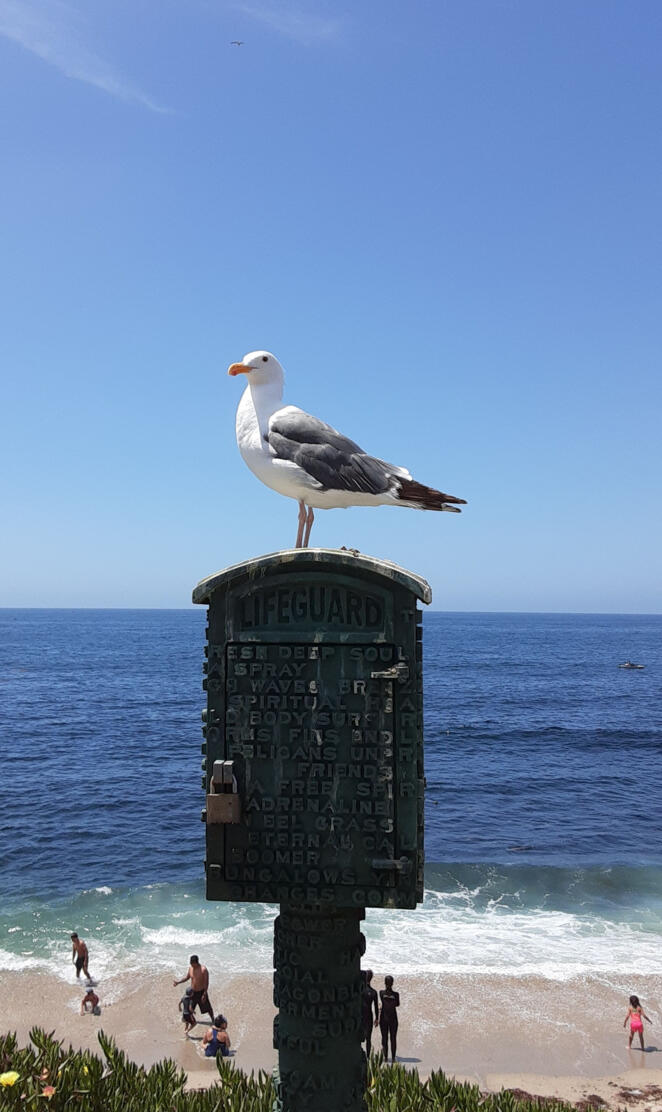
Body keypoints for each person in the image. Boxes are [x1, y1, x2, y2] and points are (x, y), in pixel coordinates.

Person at [173, 955, 214, 1022]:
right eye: (191, 964)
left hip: (201, 992)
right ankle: (186, 1019)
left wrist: (204, 994)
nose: (192, 965)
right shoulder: (191, 968)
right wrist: (178, 982)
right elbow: (187, 978)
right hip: (192, 993)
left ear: (197, 962)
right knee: (188, 1007)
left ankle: (213, 1019)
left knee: (207, 1008)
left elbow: (206, 983)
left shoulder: (203, 970)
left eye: (193, 964)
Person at [378, 975, 400, 1062]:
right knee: (393, 1038)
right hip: (393, 1018)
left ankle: (386, 1057)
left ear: (385, 983)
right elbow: (397, 1004)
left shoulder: (381, 993)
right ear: (392, 983)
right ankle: (393, 1058)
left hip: (384, 1018)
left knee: (384, 1037)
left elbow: (383, 1001)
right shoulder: (396, 995)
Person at [361, 970, 379, 1055]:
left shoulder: (360, 990)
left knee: (359, 1037)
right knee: (369, 1038)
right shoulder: (374, 992)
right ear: (371, 978)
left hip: (360, 1015)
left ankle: (359, 1055)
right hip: (369, 1015)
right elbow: (375, 1007)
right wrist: (377, 1019)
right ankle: (368, 1057)